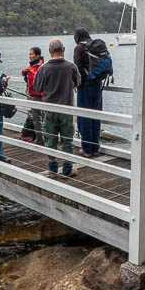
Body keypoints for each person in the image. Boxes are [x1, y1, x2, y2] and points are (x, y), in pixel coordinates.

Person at [33, 39, 81, 178]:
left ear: (49, 51)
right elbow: (78, 82)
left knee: (50, 139)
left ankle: (53, 170)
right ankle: (67, 169)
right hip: (66, 109)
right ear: (63, 49)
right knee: (67, 140)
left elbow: (37, 87)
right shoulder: (71, 67)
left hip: (49, 109)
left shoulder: (43, 68)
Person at [73, 27, 102, 158]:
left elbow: (77, 68)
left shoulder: (79, 48)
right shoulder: (96, 45)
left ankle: (87, 149)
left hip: (85, 87)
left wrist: (75, 83)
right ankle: (95, 147)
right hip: (98, 86)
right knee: (96, 116)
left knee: (84, 118)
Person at [21, 47, 45, 145]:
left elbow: (38, 78)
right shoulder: (32, 65)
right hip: (33, 94)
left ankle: (41, 139)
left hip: (39, 95)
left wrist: (29, 71)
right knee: (36, 118)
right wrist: (24, 71)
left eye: (32, 54)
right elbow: (24, 73)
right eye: (29, 54)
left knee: (39, 118)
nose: (30, 56)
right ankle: (40, 138)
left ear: (38, 55)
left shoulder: (40, 66)